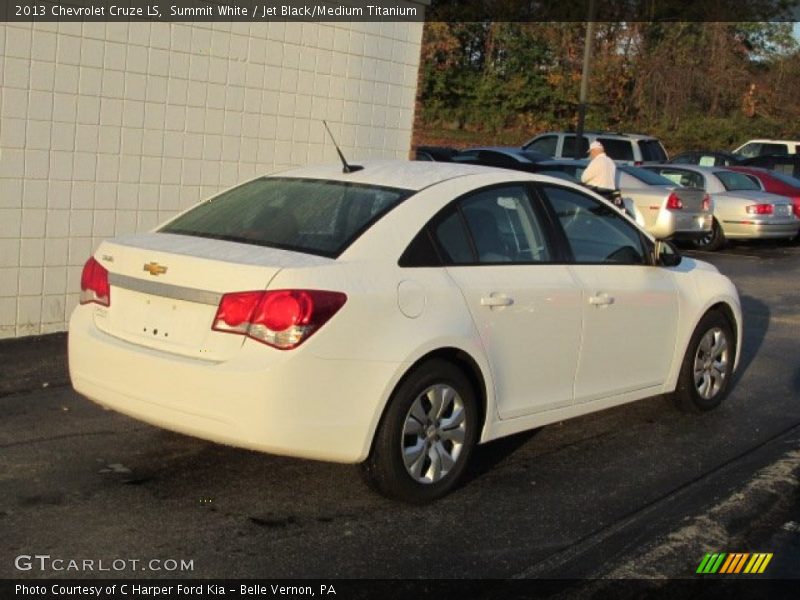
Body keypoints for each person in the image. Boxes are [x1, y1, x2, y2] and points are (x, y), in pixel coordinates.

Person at [581, 141, 623, 209]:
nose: (590, 155)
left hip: (597, 195)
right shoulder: (610, 161)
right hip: (609, 196)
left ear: (594, 151)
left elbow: (584, 178)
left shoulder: (596, 161)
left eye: (590, 152)